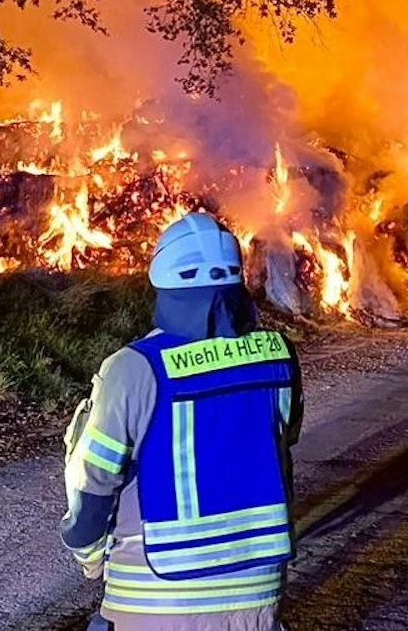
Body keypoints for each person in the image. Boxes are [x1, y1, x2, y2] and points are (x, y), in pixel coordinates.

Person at [61, 213, 303, 631]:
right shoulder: (277, 356)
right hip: (259, 599)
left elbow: (92, 478)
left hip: (155, 601)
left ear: (163, 282)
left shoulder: (134, 368)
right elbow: (285, 440)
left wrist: (88, 553)